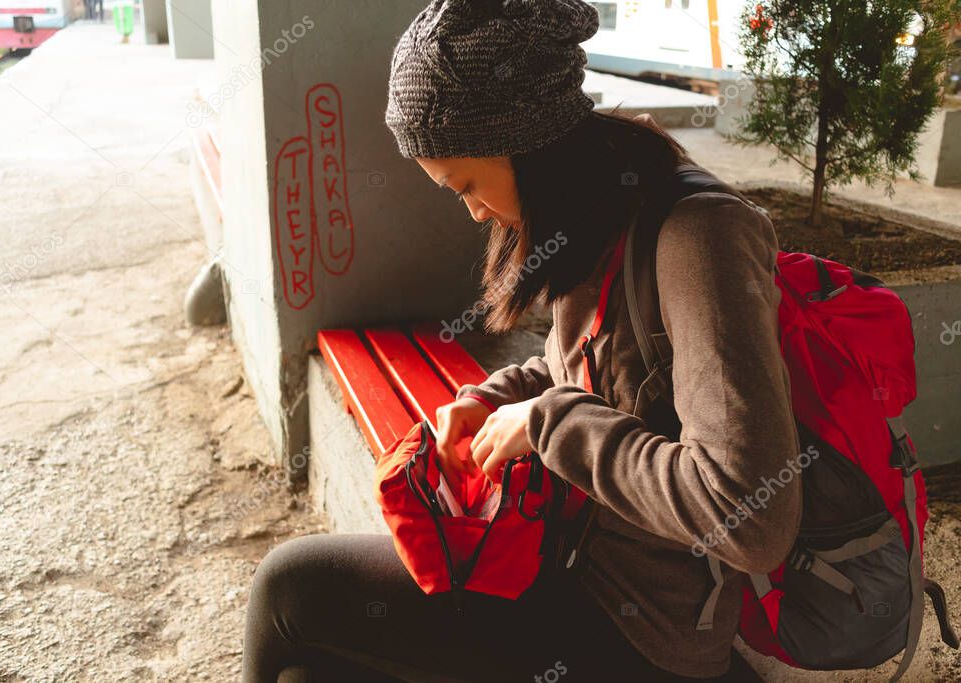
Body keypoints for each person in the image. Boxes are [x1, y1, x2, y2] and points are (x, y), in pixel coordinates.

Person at [240, 1, 802, 681]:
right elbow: (606, 372)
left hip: (644, 632)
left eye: (468, 183)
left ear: (527, 139)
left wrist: (546, 422)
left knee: (287, 589)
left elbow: (753, 517)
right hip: (562, 560)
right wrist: (495, 394)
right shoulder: (598, 204)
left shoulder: (696, 239)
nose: (474, 210)